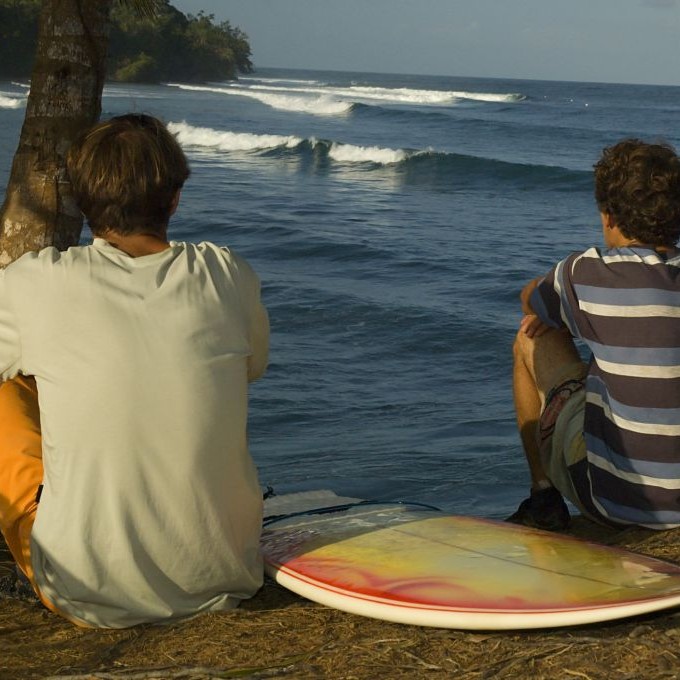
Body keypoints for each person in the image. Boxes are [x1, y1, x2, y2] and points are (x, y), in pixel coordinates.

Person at [0, 114, 269, 627]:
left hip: (85, 592)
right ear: (173, 199)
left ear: (81, 201)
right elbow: (251, 368)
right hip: (222, 577)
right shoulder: (227, 273)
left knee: (6, 394)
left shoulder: (34, 283)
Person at [508, 138, 680, 532]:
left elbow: (529, 302)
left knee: (531, 335)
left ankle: (543, 495)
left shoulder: (583, 273)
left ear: (609, 217)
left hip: (614, 502)